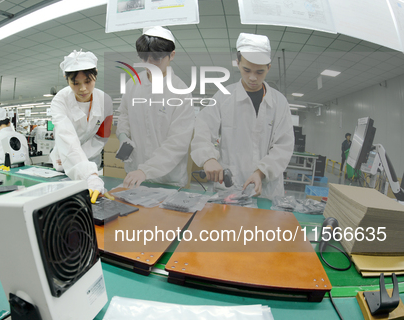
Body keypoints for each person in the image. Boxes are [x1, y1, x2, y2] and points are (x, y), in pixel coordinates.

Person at [191, 33, 294, 199]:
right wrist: (208, 158)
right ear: (237, 63)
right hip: (229, 187)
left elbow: (284, 146)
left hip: (266, 191)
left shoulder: (279, 102)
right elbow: (202, 129)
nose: (253, 78)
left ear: (269, 67)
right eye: (246, 70)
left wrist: (261, 172)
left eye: (260, 72)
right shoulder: (223, 97)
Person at [116, 26, 195, 188]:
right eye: (145, 59)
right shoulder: (132, 84)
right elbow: (124, 114)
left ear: (171, 55)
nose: (150, 65)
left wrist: (147, 170)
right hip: (135, 173)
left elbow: (177, 142)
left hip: (168, 179)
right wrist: (123, 135)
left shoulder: (181, 92)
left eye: (157, 59)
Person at [50, 50, 113, 194]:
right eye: (75, 83)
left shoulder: (106, 101)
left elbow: (102, 136)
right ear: (67, 80)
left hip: (92, 159)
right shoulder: (60, 100)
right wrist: (71, 158)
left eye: (88, 81)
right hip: (64, 156)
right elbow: (66, 135)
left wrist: (89, 170)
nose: (83, 88)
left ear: (95, 75)